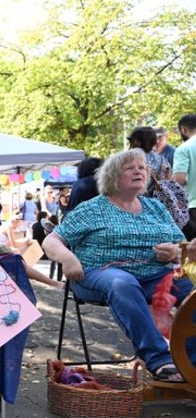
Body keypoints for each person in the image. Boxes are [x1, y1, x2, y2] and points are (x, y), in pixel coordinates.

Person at [43, 149, 191, 382]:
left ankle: (189, 359)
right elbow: (51, 240)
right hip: (98, 273)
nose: (139, 171)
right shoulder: (92, 208)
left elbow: (180, 245)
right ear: (112, 176)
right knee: (123, 283)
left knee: (190, 289)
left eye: (142, 167)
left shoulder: (156, 208)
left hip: (155, 274)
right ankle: (159, 358)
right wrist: (68, 258)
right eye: (130, 168)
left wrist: (174, 251)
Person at [127, 126, 170, 197]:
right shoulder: (162, 160)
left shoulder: (128, 158)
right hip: (154, 203)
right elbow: (165, 182)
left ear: (136, 141)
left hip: (133, 201)